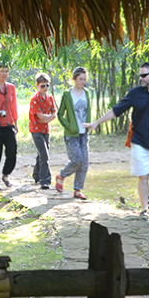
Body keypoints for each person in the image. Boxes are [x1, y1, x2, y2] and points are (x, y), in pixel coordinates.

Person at [85, 61, 149, 217]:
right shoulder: (135, 93)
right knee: (143, 175)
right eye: (140, 75)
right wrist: (97, 122)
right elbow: (116, 110)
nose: (140, 78)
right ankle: (144, 211)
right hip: (140, 142)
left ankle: (146, 191)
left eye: (143, 75)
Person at [55, 66, 92, 200]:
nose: (83, 82)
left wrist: (89, 124)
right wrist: (68, 125)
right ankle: (62, 175)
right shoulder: (67, 94)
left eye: (84, 79)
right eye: (80, 79)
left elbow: (88, 111)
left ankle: (77, 189)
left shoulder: (86, 93)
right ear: (74, 79)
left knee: (85, 162)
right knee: (77, 160)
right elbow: (60, 114)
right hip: (72, 134)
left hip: (84, 132)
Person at [28, 72, 57, 189]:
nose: (45, 88)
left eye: (47, 85)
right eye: (42, 86)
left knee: (42, 153)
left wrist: (47, 118)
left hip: (45, 129)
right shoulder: (34, 100)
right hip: (36, 129)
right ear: (37, 86)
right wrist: (47, 117)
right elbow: (40, 117)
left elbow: (54, 114)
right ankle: (45, 180)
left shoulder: (50, 98)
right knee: (44, 154)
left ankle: (36, 175)